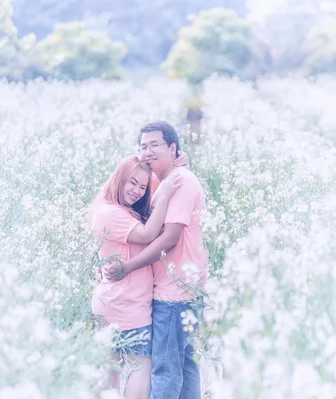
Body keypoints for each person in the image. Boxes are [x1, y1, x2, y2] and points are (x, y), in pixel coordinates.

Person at [104, 120, 209, 399]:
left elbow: (169, 237)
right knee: (185, 365)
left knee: (164, 370)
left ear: (173, 147)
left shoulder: (181, 182)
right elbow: (129, 178)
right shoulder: (166, 179)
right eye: (143, 147)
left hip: (174, 293)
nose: (147, 151)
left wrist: (127, 267)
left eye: (155, 145)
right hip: (182, 288)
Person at [87, 155, 184, 399]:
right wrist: (163, 196)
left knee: (110, 370)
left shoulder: (116, 210)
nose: (138, 191)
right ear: (119, 178)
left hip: (117, 301)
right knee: (138, 367)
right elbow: (148, 233)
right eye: (132, 183)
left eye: (143, 187)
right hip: (126, 304)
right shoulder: (110, 213)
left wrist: (178, 163)